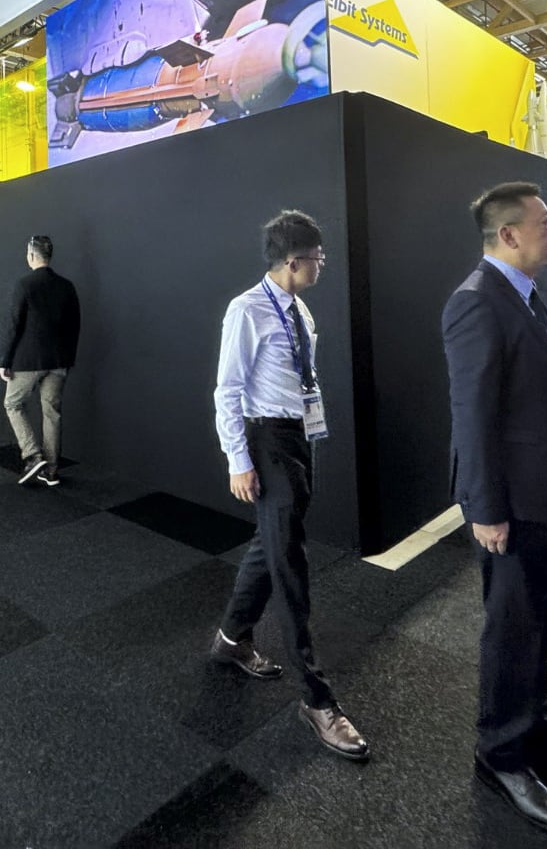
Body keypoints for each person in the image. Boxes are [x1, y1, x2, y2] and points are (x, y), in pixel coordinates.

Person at [444, 181, 547, 841]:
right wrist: (485, 508)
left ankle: (536, 723)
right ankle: (500, 753)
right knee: (510, 626)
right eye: (546, 221)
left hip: (541, 489)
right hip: (507, 501)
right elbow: (472, 414)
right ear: (508, 235)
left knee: (537, 613)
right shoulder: (477, 303)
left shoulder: (524, 296)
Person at [209, 210, 369, 761]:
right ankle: (317, 699)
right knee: (290, 564)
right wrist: (238, 460)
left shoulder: (299, 308)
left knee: (271, 544)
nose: (323, 264)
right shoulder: (247, 310)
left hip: (301, 438)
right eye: (319, 258)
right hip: (267, 442)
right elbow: (227, 390)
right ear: (295, 261)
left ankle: (231, 639)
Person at [0, 235, 81, 487]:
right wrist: (67, 358)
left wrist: (5, 359)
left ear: (31, 255)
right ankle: (52, 471)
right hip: (59, 361)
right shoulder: (67, 286)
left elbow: (14, 325)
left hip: (28, 360)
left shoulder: (24, 284)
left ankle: (33, 456)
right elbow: (75, 325)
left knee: (12, 404)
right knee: (52, 413)